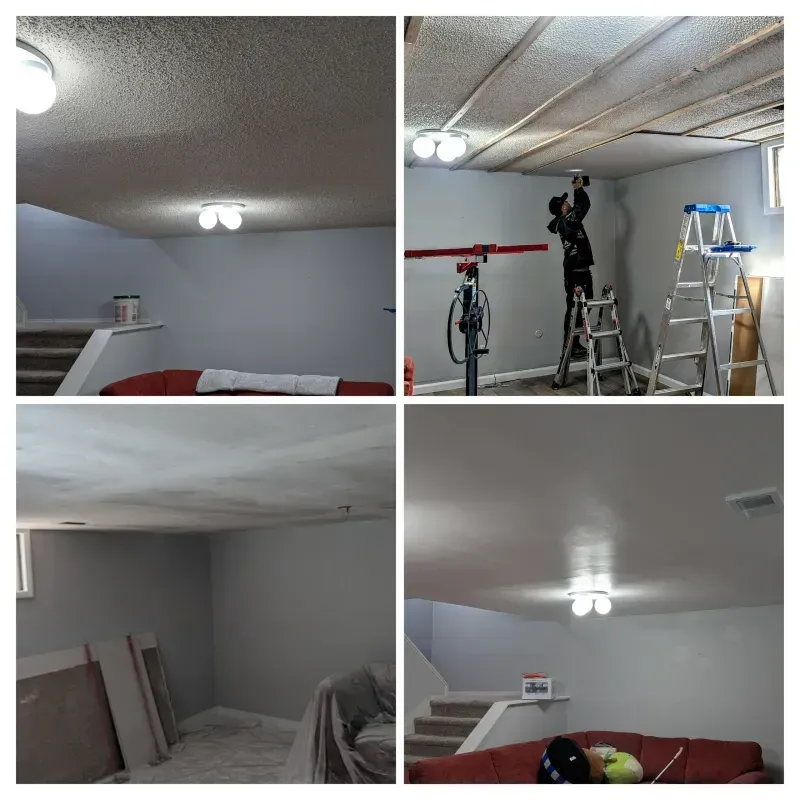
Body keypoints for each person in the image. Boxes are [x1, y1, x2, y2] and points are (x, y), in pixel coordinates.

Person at [547, 176, 594, 359]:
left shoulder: (566, 220)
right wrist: (578, 189)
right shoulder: (566, 222)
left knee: (582, 307)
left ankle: (574, 343)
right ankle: (572, 345)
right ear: (562, 208)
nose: (568, 203)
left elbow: (579, 208)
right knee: (576, 307)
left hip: (579, 269)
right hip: (575, 272)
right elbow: (583, 207)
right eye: (565, 202)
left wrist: (578, 190)